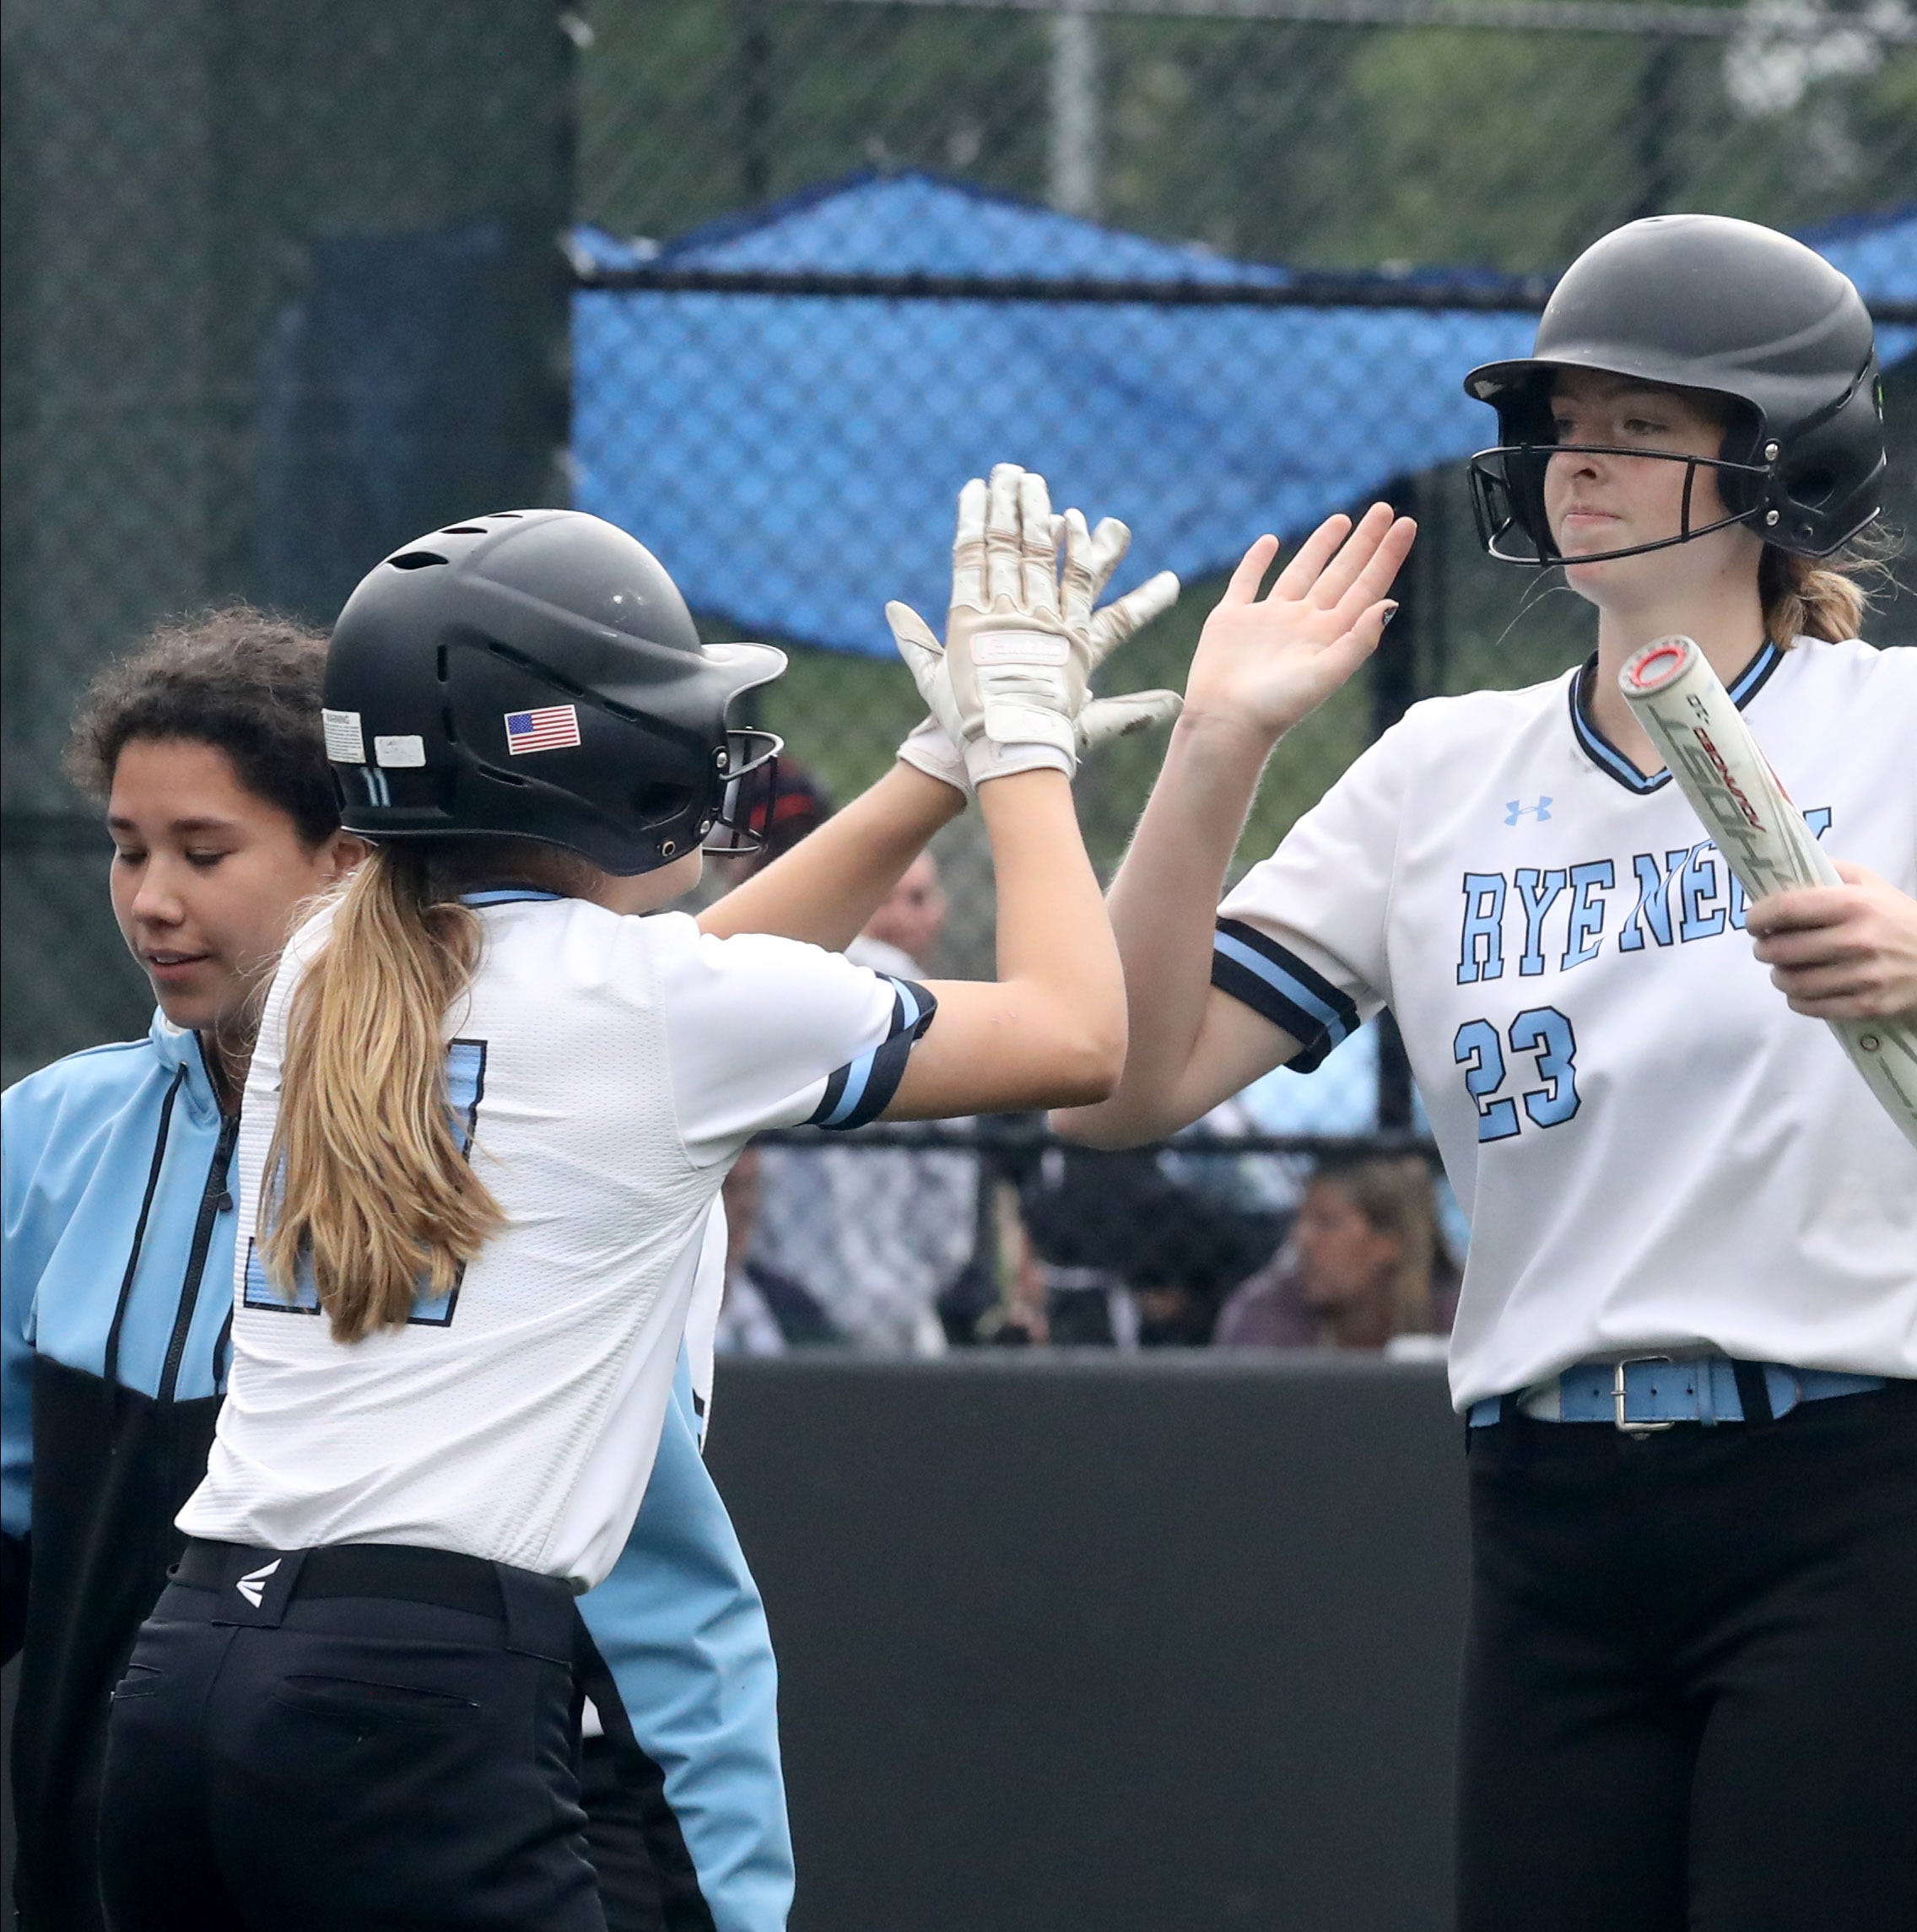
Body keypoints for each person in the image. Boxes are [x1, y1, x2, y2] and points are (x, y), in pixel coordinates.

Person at [1057, 214, 1917, 1932]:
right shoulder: (1438, 769)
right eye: (1565, 418)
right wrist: (1216, 748)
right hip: (1548, 1521)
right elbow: (1119, 1084)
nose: (1582, 461)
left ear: (1774, 461)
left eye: (1642, 424)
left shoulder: (1916, 721)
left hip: (1848, 1501)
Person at [94, 474, 1168, 1930]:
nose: (705, 745)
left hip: (191, 1670)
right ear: (574, 752)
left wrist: (933, 767)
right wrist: (1025, 754)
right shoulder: (649, 1009)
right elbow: (1077, 1036)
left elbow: (683, 1005)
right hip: (422, 1700)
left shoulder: (334, 958)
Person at [0, 610, 794, 1932]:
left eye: (205, 850)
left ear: (353, 859)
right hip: (143, 1848)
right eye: (126, 848)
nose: (151, 896)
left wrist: (726, 1883)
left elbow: (655, 1574)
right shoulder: (49, 1139)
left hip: (489, 1810)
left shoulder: (557, 1129)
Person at [740, 850, 980, 1352]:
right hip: (785, 1309)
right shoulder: (776, 984)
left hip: (893, 1311)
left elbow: (949, 1189)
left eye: (917, 898)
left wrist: (911, 1281)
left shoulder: (930, 1003)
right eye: (886, 897)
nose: (900, 916)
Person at [1214, 1154, 1449, 1351]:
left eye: (1327, 1223)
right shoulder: (1264, 1315)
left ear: (1389, 1242)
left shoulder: (1460, 1319)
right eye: (1302, 1219)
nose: (1302, 1238)